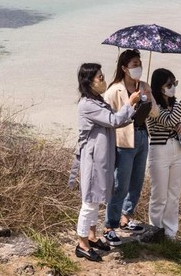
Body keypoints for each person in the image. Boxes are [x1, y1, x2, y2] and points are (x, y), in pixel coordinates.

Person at [71, 63, 141, 262]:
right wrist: (129, 104)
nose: (103, 80)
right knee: (90, 202)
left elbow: (116, 120)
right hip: (93, 160)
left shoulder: (97, 100)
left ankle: (91, 236)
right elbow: (112, 120)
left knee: (97, 198)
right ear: (89, 82)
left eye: (102, 76)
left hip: (101, 158)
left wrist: (135, 107)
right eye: (99, 78)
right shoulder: (87, 104)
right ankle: (82, 244)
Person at [103, 49, 158, 245]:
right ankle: (110, 225)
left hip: (142, 135)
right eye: (135, 64)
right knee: (120, 184)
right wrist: (131, 100)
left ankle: (126, 217)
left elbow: (155, 114)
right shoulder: (114, 90)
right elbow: (108, 118)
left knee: (137, 180)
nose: (139, 67)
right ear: (124, 68)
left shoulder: (144, 86)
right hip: (124, 140)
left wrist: (149, 97)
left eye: (140, 63)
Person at [146, 68, 181, 239]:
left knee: (174, 194)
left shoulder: (171, 104)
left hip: (177, 149)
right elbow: (168, 120)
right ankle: (155, 231)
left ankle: (170, 234)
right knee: (159, 194)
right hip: (159, 149)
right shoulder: (152, 105)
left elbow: (175, 121)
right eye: (169, 84)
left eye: (174, 83)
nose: (172, 87)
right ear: (159, 87)